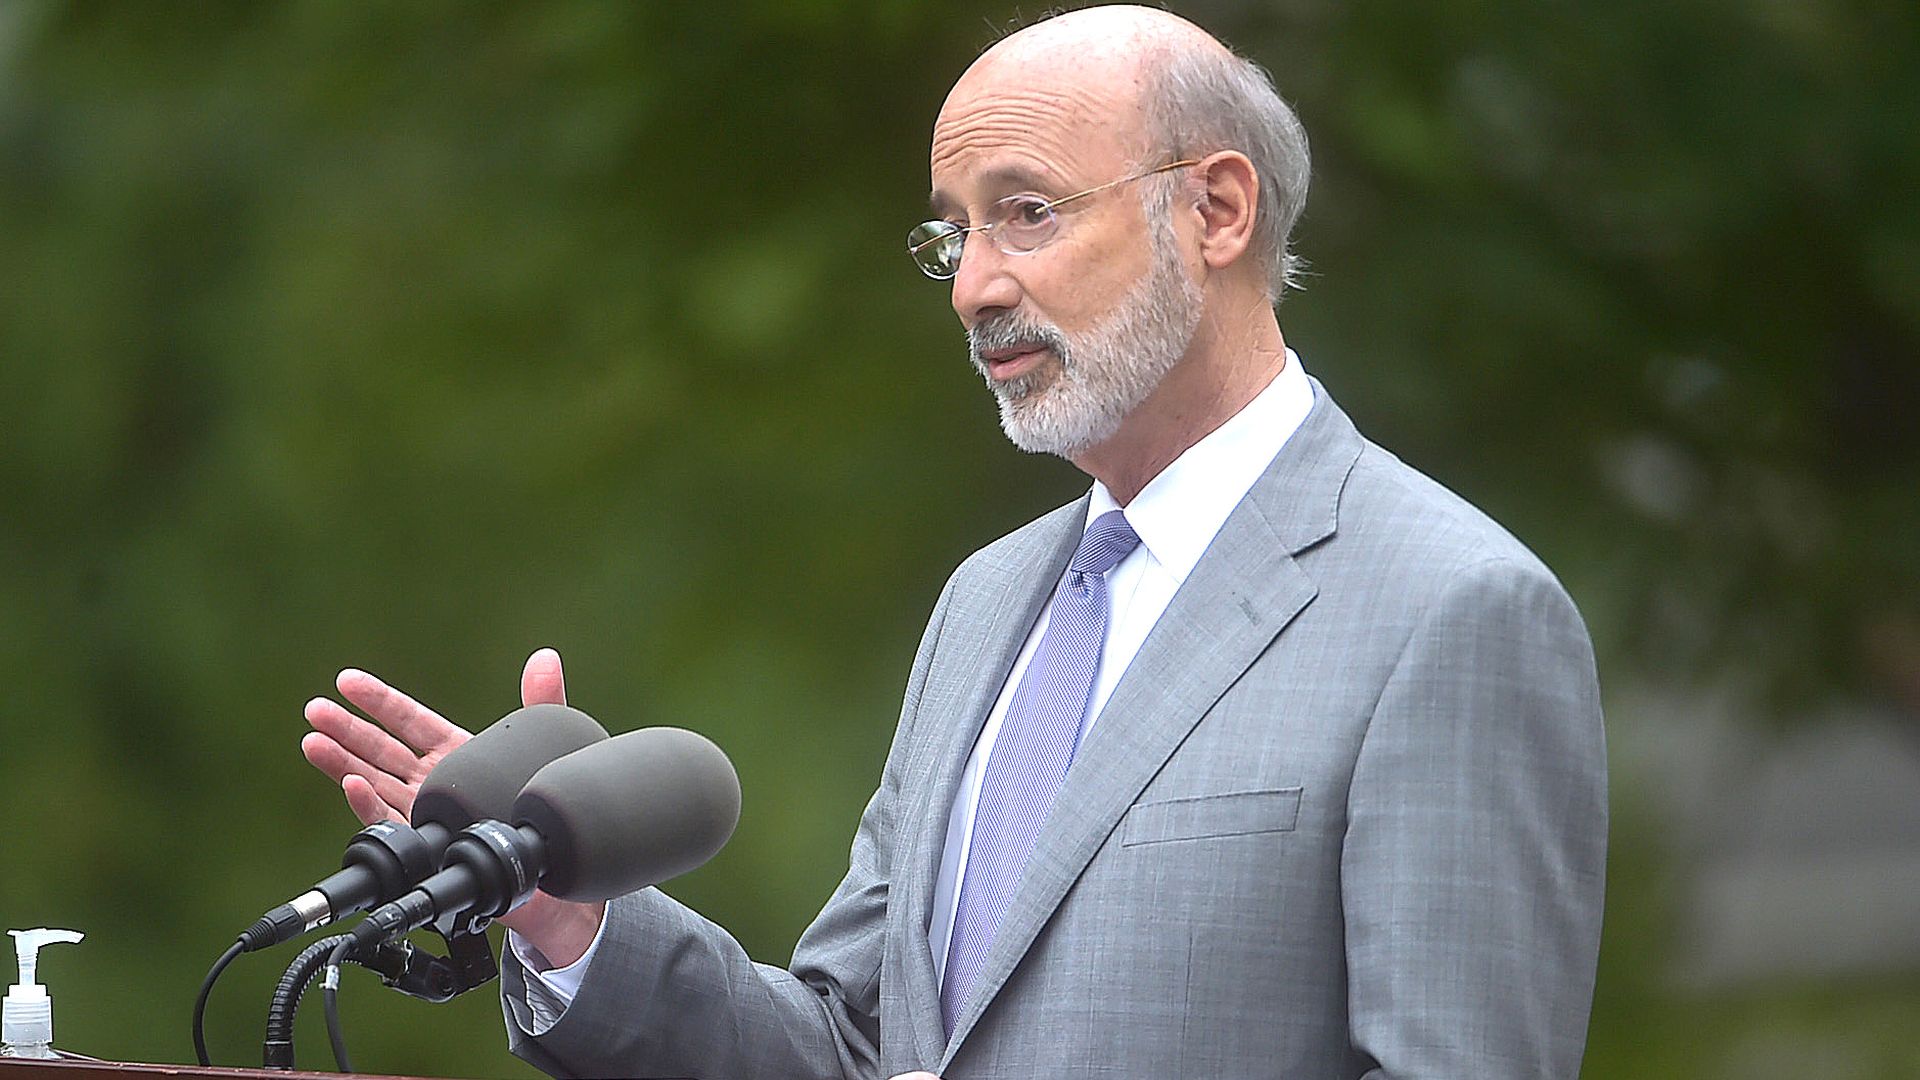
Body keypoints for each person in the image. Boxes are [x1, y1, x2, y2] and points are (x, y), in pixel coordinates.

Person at [301, 6, 1607, 1078]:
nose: (976, 285)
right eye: (955, 232)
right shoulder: (990, 605)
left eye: (1026, 212)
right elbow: (854, 1046)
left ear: (1214, 211)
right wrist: (567, 914)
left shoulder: (1453, 608)